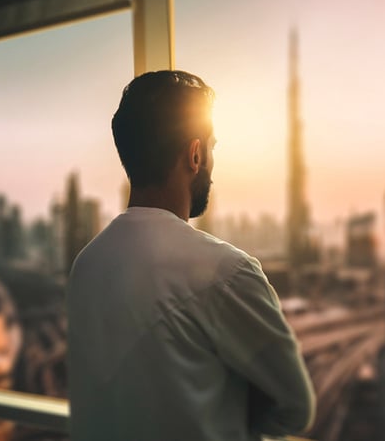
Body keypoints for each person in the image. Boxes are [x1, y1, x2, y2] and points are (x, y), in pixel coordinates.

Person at [67, 70, 315, 441]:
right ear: (195, 155)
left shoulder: (86, 265)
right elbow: (295, 407)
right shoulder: (227, 273)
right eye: (212, 147)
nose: (213, 162)